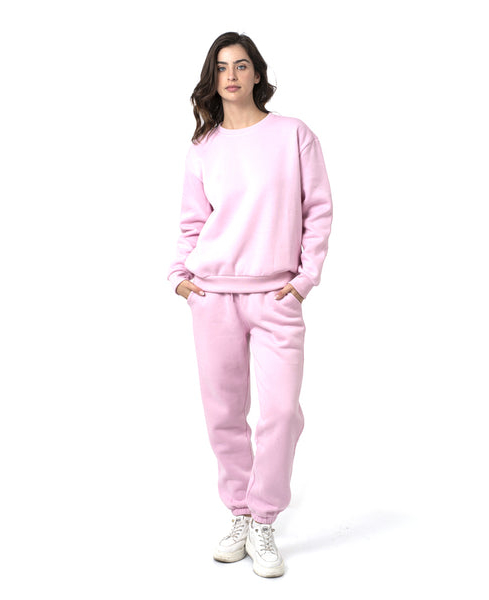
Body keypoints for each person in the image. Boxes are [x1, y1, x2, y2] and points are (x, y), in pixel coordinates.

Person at [167, 31, 333, 578]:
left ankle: (264, 519)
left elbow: (318, 210)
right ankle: (239, 512)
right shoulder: (204, 147)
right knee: (223, 414)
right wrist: (179, 276)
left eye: (241, 66)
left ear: (257, 73)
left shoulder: (293, 135)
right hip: (212, 295)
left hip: (276, 294)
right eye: (221, 68)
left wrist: (305, 279)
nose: (231, 76)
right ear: (212, 79)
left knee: (281, 412)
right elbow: (192, 221)